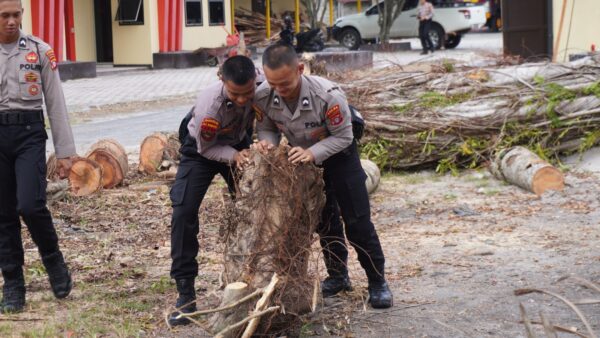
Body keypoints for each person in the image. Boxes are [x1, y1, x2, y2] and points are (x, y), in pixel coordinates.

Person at [253, 44, 393, 309]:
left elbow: (343, 137)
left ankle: (377, 282)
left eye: (285, 84)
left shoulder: (328, 96)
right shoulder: (262, 95)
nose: (279, 91)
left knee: (357, 222)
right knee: (325, 220)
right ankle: (339, 276)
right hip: (306, 161)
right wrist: (267, 144)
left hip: (339, 155)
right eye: (274, 84)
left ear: (300, 69)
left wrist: (312, 153)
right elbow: (267, 127)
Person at [168, 55, 258, 326]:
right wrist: (234, 156)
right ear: (222, 80)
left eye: (248, 93)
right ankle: (185, 294)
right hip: (202, 152)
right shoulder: (211, 106)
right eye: (235, 94)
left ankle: (256, 280)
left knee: (255, 207)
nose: (242, 100)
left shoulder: (263, 86)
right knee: (183, 211)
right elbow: (207, 148)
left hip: (240, 145)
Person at [0, 0, 75, 313]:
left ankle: (54, 261)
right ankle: (13, 283)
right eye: (4, 15)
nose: (11, 21)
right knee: (3, 215)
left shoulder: (40, 51)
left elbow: (55, 102)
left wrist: (65, 152)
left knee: (30, 204)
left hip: (30, 132)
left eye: (16, 15)